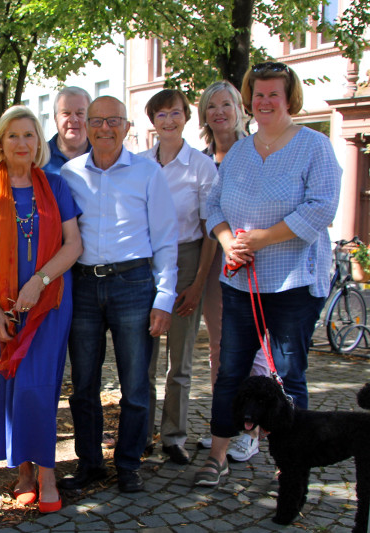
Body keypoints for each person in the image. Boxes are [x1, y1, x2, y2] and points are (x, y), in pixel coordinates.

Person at [195, 62, 341, 487]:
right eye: (258, 95)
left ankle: (292, 461)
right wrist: (228, 243)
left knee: (289, 373)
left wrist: (260, 239)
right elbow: (214, 207)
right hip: (239, 283)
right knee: (230, 372)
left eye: (273, 94)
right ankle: (217, 457)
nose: (264, 102)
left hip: (294, 282)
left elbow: (321, 208)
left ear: (289, 98)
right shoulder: (239, 151)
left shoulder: (314, 146)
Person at [59, 96, 178, 493]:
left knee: (135, 384)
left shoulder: (148, 173)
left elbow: (165, 241)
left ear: (127, 127)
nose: (104, 128)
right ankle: (90, 463)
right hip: (84, 286)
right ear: (87, 126)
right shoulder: (70, 174)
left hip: (134, 285)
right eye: (97, 121)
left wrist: (164, 299)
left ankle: (128, 464)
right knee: (85, 385)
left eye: (113, 121)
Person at [0, 105, 82, 513]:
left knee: (39, 386)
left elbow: (73, 244)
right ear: (1, 142)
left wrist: (39, 281)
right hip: (1, 306)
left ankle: (48, 472)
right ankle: (22, 473)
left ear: (40, 142)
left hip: (50, 302)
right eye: (14, 135)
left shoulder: (57, 185)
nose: (22, 142)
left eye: (30, 135)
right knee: (10, 385)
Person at [138, 89, 217, 465]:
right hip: (147, 261)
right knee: (144, 356)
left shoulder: (202, 167)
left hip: (187, 258)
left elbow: (210, 231)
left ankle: (173, 436)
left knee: (180, 360)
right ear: (152, 121)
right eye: (160, 114)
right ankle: (140, 435)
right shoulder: (138, 164)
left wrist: (198, 282)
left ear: (187, 117)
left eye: (175, 113)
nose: (168, 121)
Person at [197, 80, 269, 462]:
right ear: (204, 114)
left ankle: (250, 430)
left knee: (253, 347)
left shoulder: (257, 150)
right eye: (212, 106)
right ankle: (223, 425)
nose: (219, 112)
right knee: (220, 349)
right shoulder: (203, 158)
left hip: (252, 261)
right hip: (214, 264)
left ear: (240, 109)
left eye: (226, 104)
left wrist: (248, 242)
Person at [42, 86, 92, 176]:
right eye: (66, 113)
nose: (73, 119)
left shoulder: (101, 157)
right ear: (55, 118)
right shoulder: (39, 157)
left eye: (80, 113)